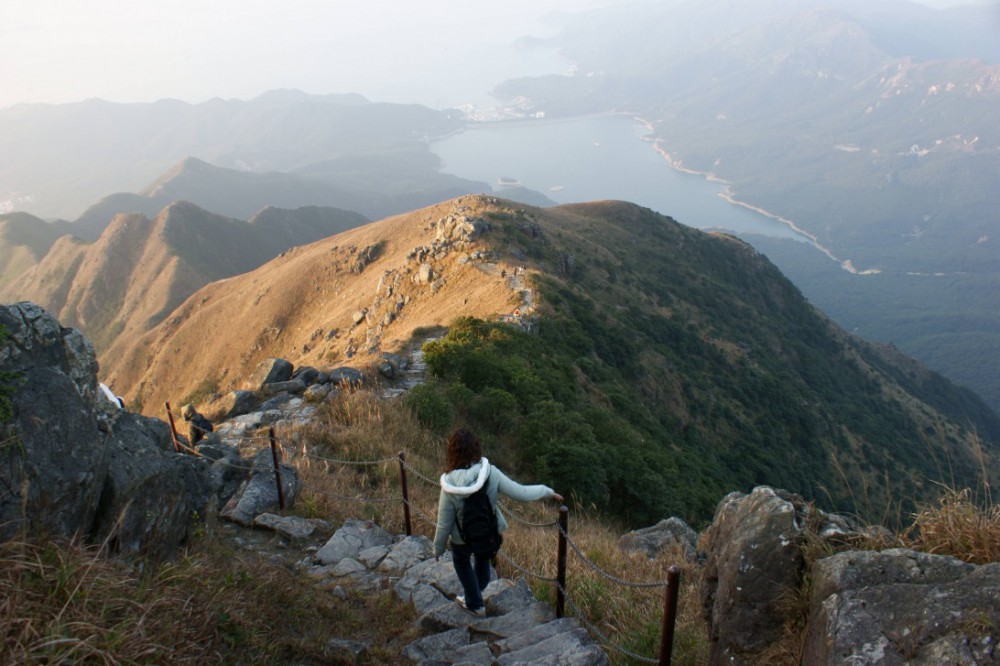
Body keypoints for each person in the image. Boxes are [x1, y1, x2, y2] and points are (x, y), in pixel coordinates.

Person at [433, 428, 563, 615]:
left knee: (461, 562)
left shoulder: (449, 483)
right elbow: (521, 492)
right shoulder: (490, 472)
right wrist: (547, 491)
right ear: (476, 449)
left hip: (461, 538)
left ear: (452, 452)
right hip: (485, 533)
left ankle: (474, 603)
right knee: (482, 563)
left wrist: (438, 549)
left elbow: (444, 523)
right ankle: (474, 597)